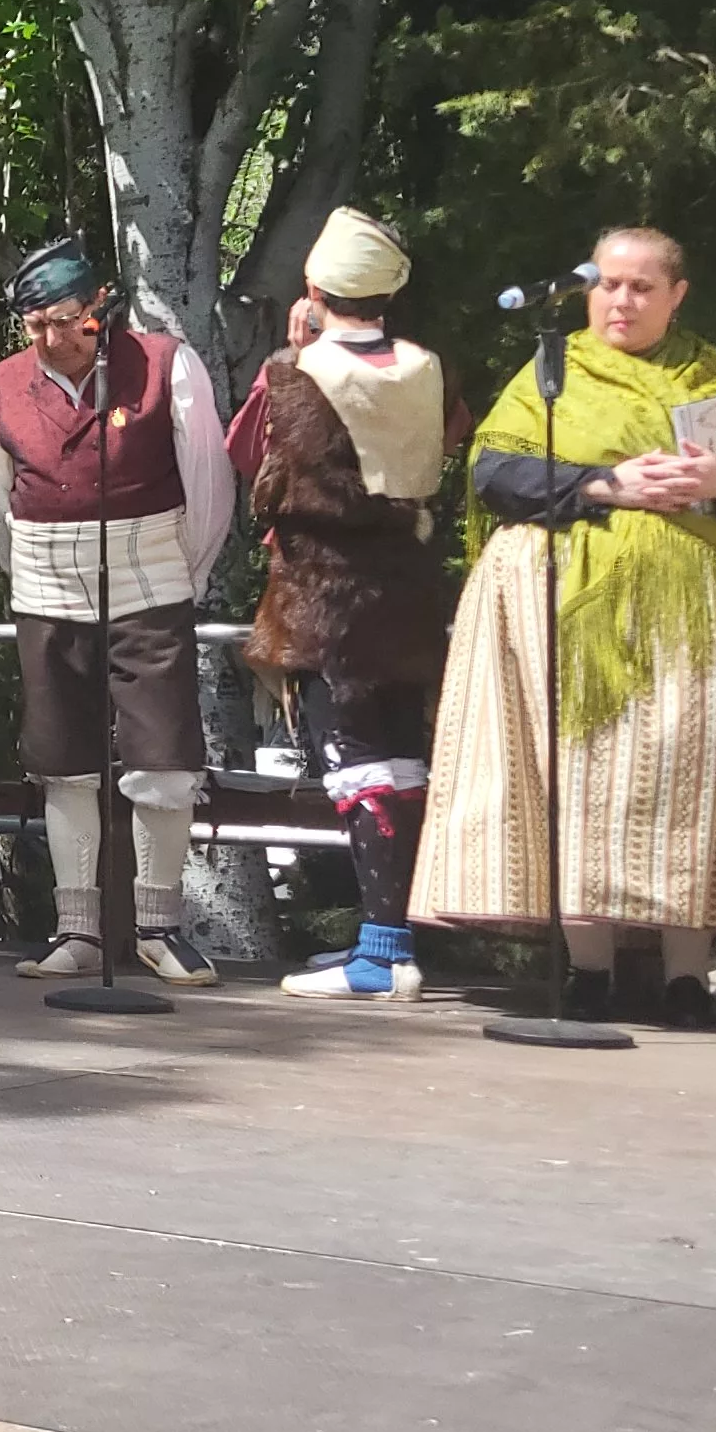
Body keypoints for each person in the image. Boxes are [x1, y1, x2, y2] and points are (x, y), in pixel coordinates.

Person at [419, 227, 716, 1028]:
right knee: (579, 785)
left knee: (688, 790)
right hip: (574, 630)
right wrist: (605, 484)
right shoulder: (553, 374)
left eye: (642, 287)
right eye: (607, 284)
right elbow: (495, 474)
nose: (621, 300)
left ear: (677, 296)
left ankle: (686, 977)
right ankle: (591, 972)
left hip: (698, 635)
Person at [0, 235, 236, 986]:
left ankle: (159, 928)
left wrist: (178, 571)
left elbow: (208, 483)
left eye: (65, 321)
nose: (51, 340)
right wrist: (29, 573)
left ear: (99, 306)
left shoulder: (164, 364)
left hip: (153, 574)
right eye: (35, 327)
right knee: (63, 763)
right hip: (47, 585)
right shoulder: (0, 385)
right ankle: (77, 930)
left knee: (164, 758)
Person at [230, 211, 464, 1004]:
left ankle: (385, 950)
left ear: (316, 289)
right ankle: (387, 935)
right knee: (402, 758)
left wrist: (292, 355)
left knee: (356, 764)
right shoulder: (429, 366)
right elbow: (448, 440)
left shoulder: (301, 371)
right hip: (407, 584)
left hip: (325, 592)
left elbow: (257, 467)